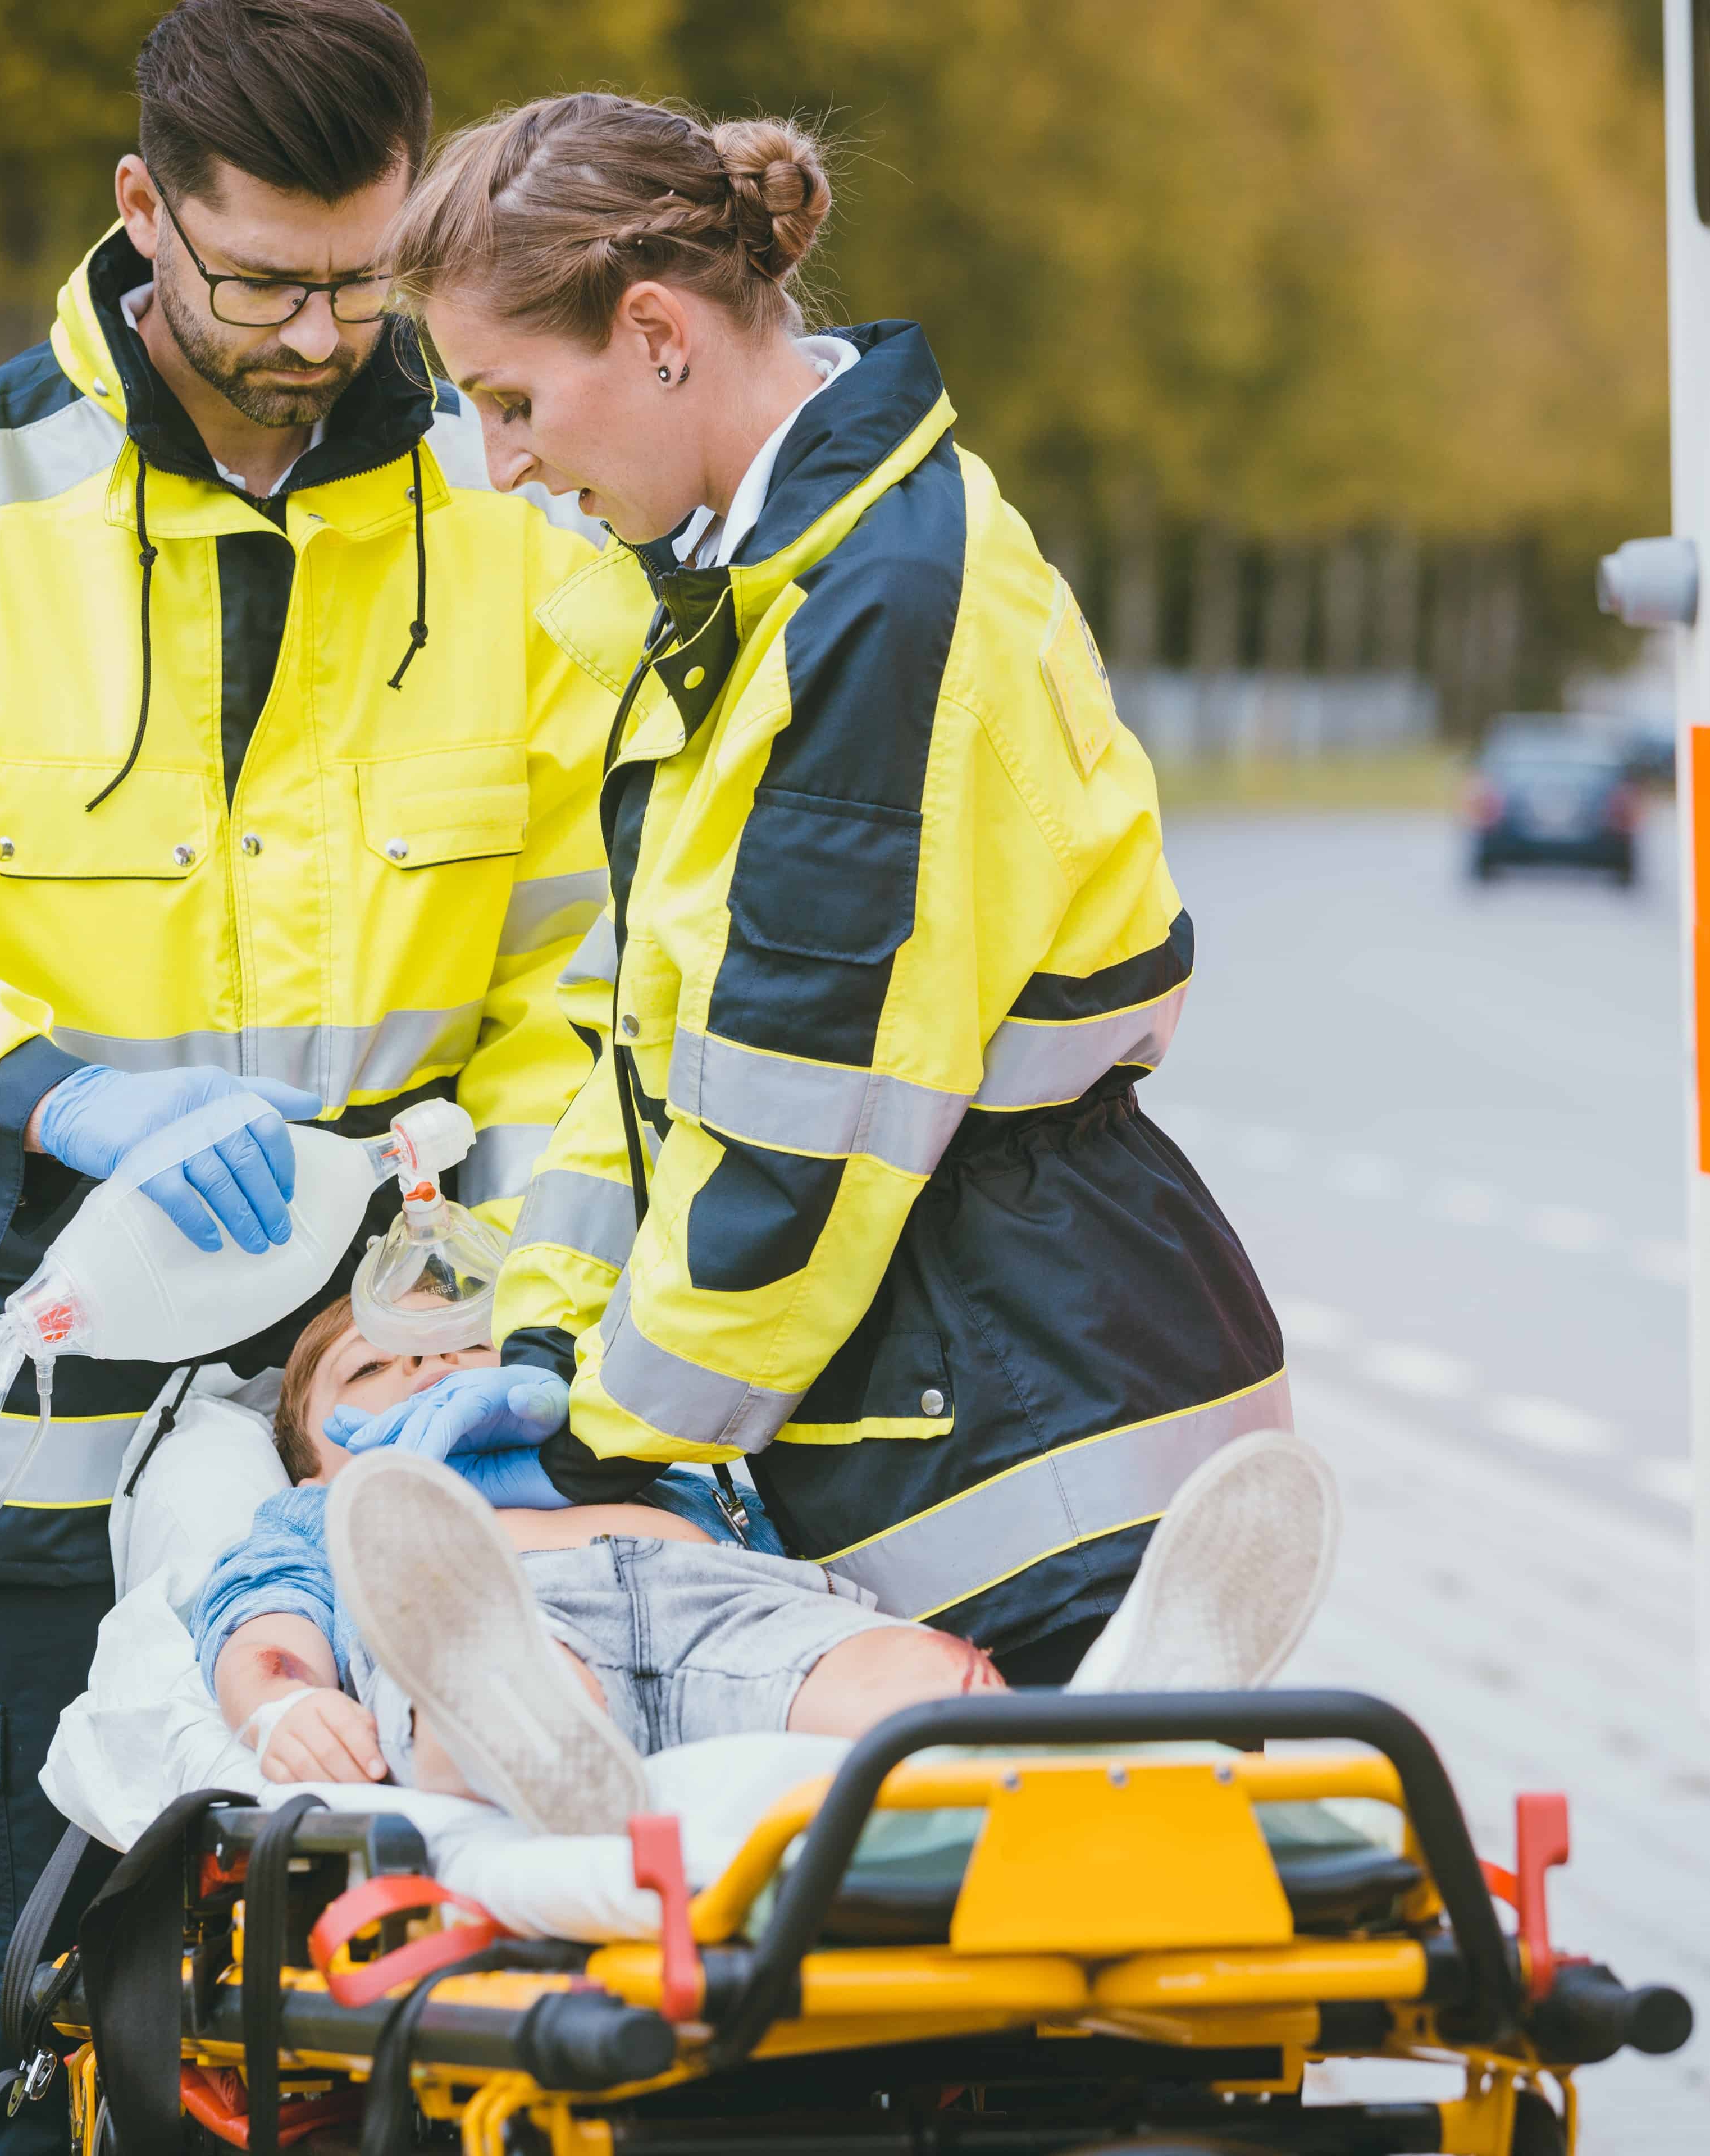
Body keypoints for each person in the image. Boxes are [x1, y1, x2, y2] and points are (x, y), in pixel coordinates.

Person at [0, 7, 625, 2145]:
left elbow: (590, 988)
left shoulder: (524, 527)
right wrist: (57, 1100)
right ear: (143, 214)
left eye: (364, 277)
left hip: (396, 1426)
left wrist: (509, 1294)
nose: (317, 334)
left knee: (427, 2026)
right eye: (262, 279)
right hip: (31, 1415)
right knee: (37, 2004)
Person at [375, 95, 1292, 1687]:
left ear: (657, 334)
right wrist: (540, 1342)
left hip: (1031, 1460)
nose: (506, 467)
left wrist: (603, 1441)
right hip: (968, 1404)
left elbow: (805, 1135)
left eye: (512, 401)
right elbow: (656, 1059)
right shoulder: (762, 587)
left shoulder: (878, 612)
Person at [195, 1299, 1340, 1831]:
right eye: (376, 1372)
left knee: (910, 1686)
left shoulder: (647, 1470)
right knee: (489, 1689)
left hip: (728, 1607)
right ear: (308, 1462)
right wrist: (283, 1709)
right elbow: (266, 1633)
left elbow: (772, 1550)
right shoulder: (326, 1520)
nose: (436, 1370)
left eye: (466, 1348)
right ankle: (537, 1748)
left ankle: (1111, 1730)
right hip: (497, 1623)